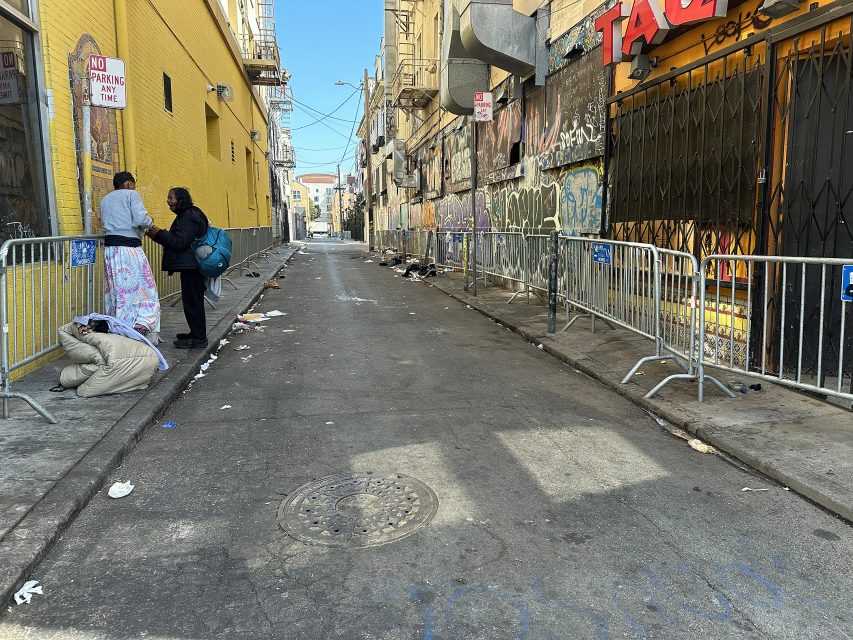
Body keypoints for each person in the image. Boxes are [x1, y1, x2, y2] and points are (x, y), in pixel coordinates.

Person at [100, 171, 160, 343]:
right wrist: (150, 221)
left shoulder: (105, 199)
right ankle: (141, 327)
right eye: (133, 185)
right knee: (145, 291)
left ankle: (119, 330)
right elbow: (140, 219)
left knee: (118, 292)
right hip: (129, 249)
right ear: (128, 184)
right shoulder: (132, 195)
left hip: (111, 250)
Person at [145, 188, 209, 349]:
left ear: (181, 200)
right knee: (191, 301)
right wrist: (157, 236)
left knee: (193, 302)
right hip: (190, 266)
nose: (168, 201)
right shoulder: (186, 215)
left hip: (193, 267)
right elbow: (176, 241)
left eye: (171, 198)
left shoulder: (189, 217)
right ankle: (195, 333)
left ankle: (199, 338)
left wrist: (159, 233)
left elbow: (180, 242)